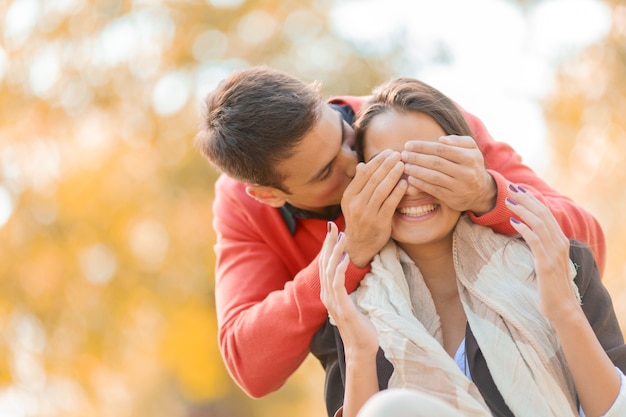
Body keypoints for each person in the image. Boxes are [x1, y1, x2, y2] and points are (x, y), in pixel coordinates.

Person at [193, 66, 607, 406]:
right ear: (269, 195)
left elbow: (589, 246)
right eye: (325, 174)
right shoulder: (241, 208)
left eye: (347, 139)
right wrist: (348, 257)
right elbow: (250, 365)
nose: (355, 167)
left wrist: (486, 193)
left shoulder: (411, 122)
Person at [318, 77, 626, 417]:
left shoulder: (556, 262)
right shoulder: (353, 311)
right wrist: (360, 350)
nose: (412, 188)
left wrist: (564, 312)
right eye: (388, 169)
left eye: (432, 162)